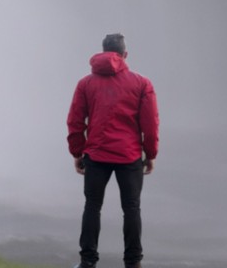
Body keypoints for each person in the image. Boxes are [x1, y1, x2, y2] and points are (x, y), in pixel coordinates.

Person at [66, 32, 159, 268]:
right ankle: (133, 263)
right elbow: (150, 123)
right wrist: (151, 154)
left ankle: (87, 262)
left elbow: (75, 121)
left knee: (92, 207)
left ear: (103, 51)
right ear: (125, 54)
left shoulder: (86, 83)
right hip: (129, 156)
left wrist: (77, 152)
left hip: (96, 155)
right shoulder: (142, 83)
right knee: (131, 208)